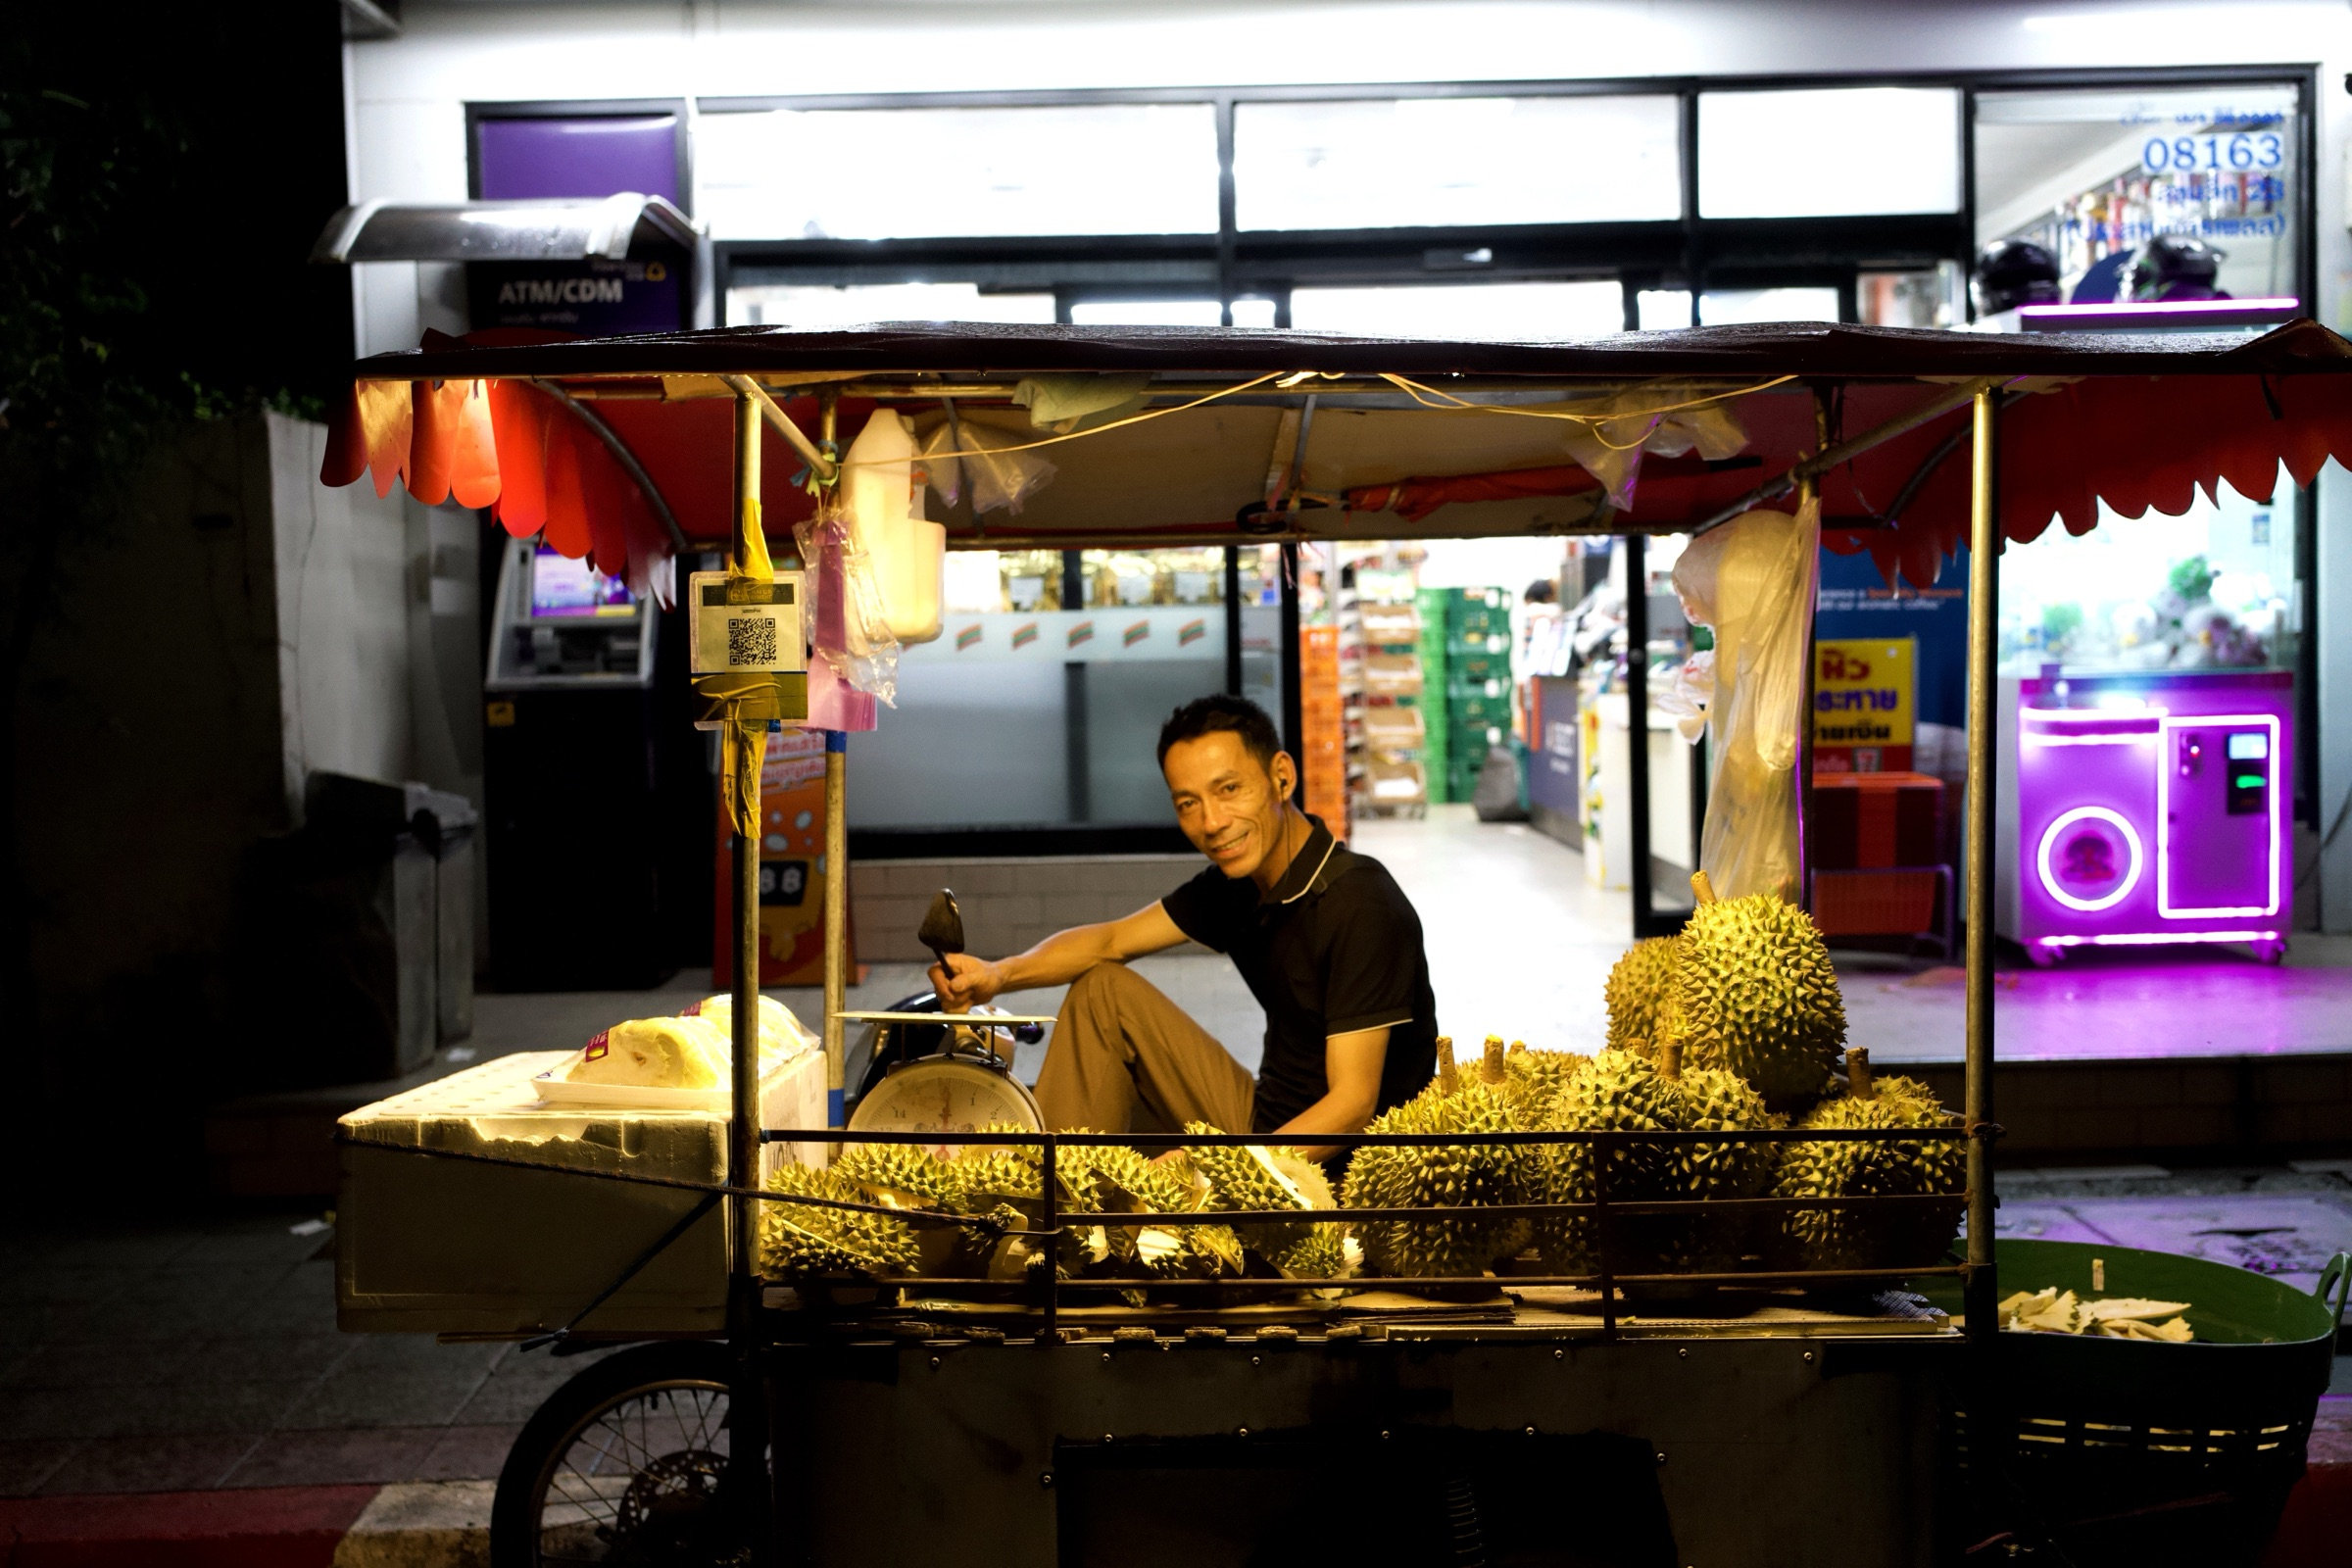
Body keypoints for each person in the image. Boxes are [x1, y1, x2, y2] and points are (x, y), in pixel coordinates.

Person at [927, 695, 1439, 1157]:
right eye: (1188, 804)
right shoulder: (1241, 883)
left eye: (1229, 789)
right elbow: (1108, 941)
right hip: (1264, 1120)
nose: (1212, 822)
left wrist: (1222, 1169)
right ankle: (1056, 1211)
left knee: (1138, 1133)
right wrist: (997, 975)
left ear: (1281, 776)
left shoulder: (1360, 904)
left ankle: (1050, 1222)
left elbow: (1352, 1108)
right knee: (1104, 990)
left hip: (1344, 1169)